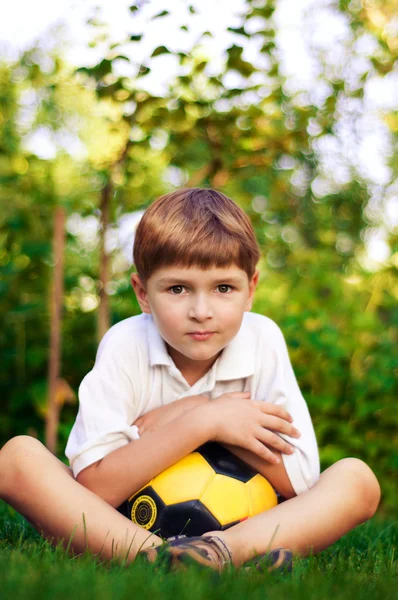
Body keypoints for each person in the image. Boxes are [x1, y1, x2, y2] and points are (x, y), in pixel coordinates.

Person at [0, 188, 381, 573]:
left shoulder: (262, 340)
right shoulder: (126, 345)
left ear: (251, 290)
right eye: (178, 289)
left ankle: (217, 553)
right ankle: (154, 556)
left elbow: (299, 482)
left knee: (357, 480)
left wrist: (207, 421)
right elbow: (95, 489)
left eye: (223, 288)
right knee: (16, 459)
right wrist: (205, 419)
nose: (201, 312)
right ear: (143, 294)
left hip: (244, 522)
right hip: (126, 522)